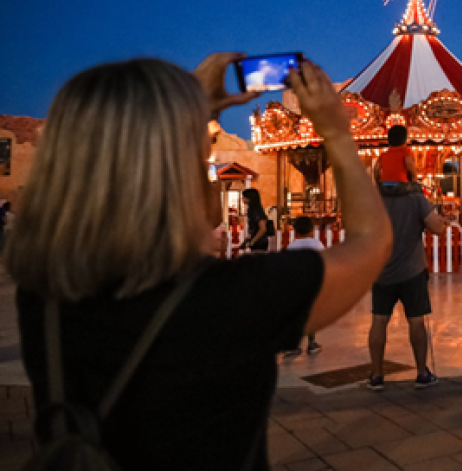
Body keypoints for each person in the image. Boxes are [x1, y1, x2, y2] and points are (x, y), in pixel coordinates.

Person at [7, 54, 392, 470]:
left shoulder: (40, 294)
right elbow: (371, 240)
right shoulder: (230, 300)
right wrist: (336, 131)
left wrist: (189, 110)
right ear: (175, 167)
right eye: (202, 146)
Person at [367, 173, 447, 391]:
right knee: (416, 320)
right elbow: (437, 228)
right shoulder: (416, 199)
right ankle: (421, 372)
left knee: (379, 320)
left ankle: (376, 374)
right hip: (412, 270)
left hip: (382, 270)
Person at [283, 216, 325, 358]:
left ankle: (291, 346)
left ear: (295, 231)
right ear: (312, 230)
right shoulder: (317, 243)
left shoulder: (292, 245)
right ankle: (311, 343)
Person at [241, 188, 273, 252]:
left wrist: (252, 242)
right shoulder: (252, 210)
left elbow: (263, 229)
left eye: (244, 197)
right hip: (258, 242)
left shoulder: (256, 211)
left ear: (249, 198)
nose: (242, 199)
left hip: (259, 243)